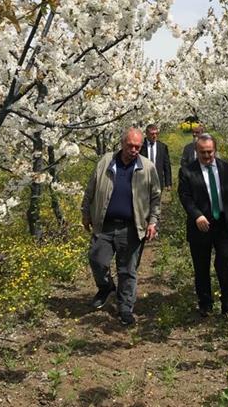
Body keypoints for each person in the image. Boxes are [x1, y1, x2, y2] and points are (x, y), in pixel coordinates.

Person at [81, 127, 160, 326]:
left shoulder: (147, 167)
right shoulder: (106, 161)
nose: (133, 150)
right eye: (130, 145)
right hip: (105, 225)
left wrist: (152, 222)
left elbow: (155, 198)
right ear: (122, 143)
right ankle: (106, 287)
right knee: (97, 259)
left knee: (127, 270)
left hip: (131, 227)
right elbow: (91, 188)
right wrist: (86, 212)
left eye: (137, 147)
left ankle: (125, 307)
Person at [178, 133, 228, 317]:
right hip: (201, 225)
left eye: (210, 152)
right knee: (201, 266)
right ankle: (205, 304)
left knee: (226, 263)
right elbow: (185, 197)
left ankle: (227, 303)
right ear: (196, 151)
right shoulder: (187, 171)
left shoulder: (226, 167)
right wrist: (197, 215)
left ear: (215, 150)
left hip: (223, 223)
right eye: (203, 152)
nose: (207, 156)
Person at [140, 124, 172, 190]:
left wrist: (168, 183)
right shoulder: (140, 146)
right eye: (152, 134)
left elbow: (167, 166)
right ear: (146, 134)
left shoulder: (162, 147)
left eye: (156, 133)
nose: (155, 136)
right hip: (143, 180)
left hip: (158, 180)